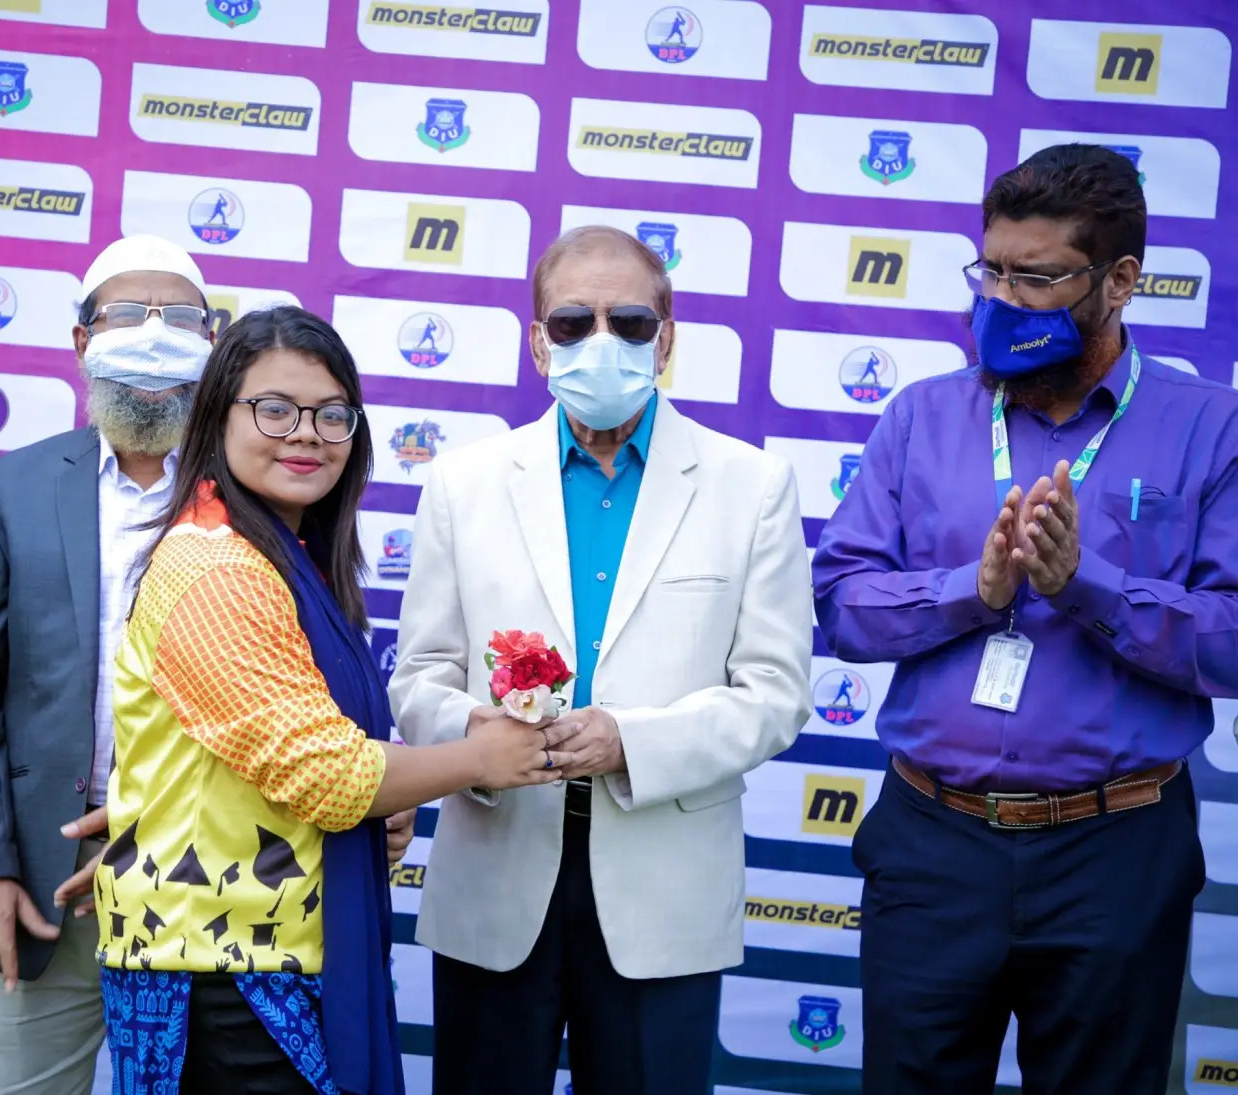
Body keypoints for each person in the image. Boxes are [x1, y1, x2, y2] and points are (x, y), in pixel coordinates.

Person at [813, 144, 1238, 1093]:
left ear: (1120, 281)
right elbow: (842, 603)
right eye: (991, 271)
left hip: (1116, 851)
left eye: (1037, 278)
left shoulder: (1211, 427)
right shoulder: (922, 417)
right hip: (933, 842)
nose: (1003, 299)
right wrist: (976, 590)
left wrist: (1088, 586)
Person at [88, 306, 570, 1093]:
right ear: (217, 416)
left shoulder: (290, 557)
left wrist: (392, 796)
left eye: (331, 414)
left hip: (273, 951)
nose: (306, 434)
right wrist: (479, 758)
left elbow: (314, 755)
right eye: (274, 409)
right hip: (219, 964)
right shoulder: (216, 570)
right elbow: (328, 775)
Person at [389, 225, 814, 1094]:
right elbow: (419, 675)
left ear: (667, 338)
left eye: (629, 322)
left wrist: (629, 741)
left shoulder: (750, 487)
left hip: (666, 888)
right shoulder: (463, 484)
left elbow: (775, 694)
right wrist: (479, 738)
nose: (602, 341)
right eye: (574, 322)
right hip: (496, 872)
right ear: (537, 341)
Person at [0, 234, 216, 1094]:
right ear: (84, 340)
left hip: (205, 883)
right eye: (128, 315)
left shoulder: (254, 493)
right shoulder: (8, 490)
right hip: (38, 888)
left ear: (213, 343)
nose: (154, 335)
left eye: (180, 319)